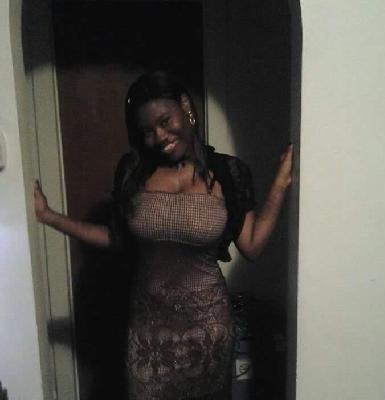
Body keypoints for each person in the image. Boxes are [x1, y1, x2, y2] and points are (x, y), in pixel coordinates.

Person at [34, 71, 293, 400]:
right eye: (147, 131)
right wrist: (49, 216)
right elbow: (116, 238)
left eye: (165, 121)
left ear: (185, 107)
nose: (159, 136)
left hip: (209, 332)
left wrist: (279, 185)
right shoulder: (133, 171)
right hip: (148, 335)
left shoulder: (229, 172)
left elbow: (252, 246)